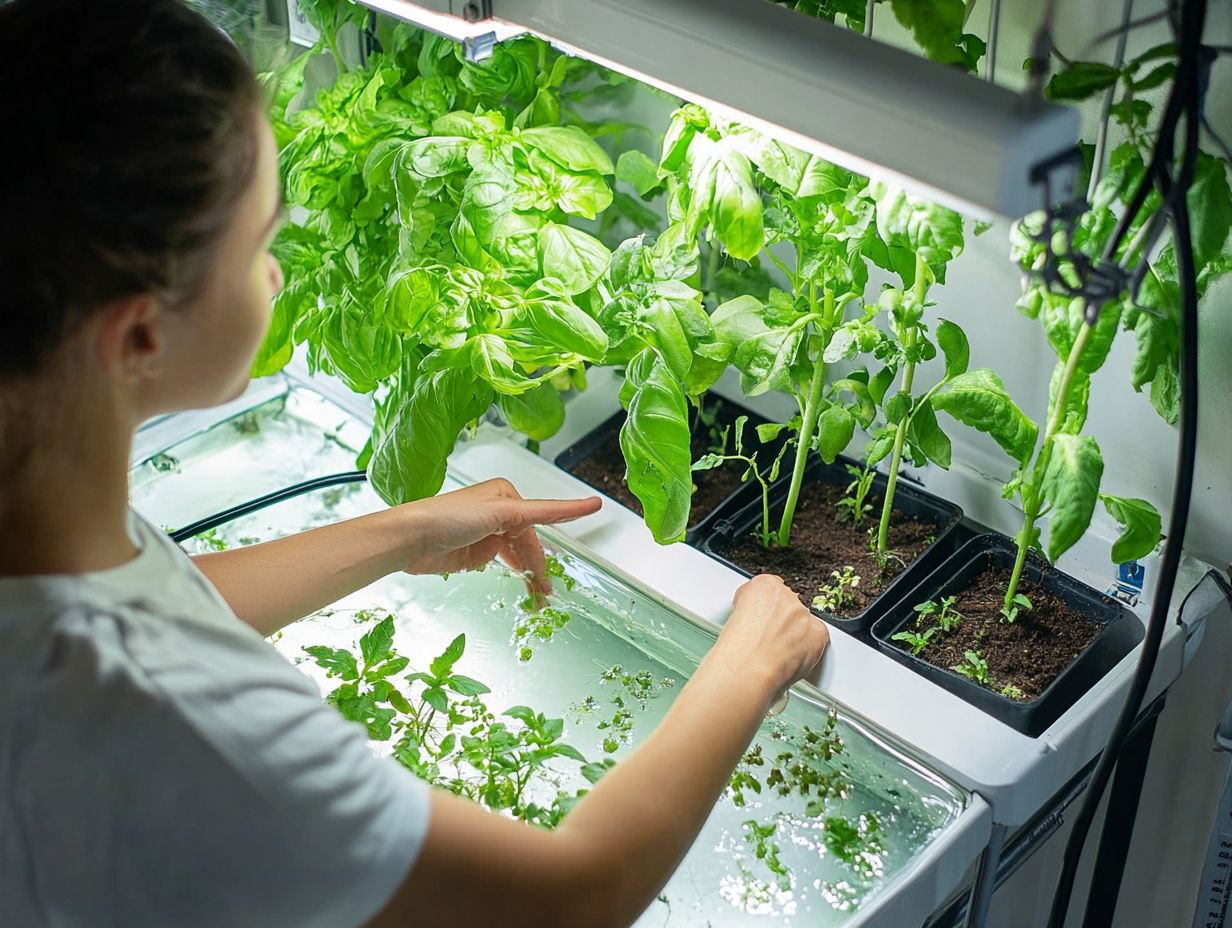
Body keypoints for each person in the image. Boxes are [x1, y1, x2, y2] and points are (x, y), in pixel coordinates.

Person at [0, 1, 830, 926]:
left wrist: (405, 531)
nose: (276, 276)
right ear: (141, 331)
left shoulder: (39, 512)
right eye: (259, 244)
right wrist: (752, 660)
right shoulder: (192, 731)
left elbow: (144, 604)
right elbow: (571, 897)